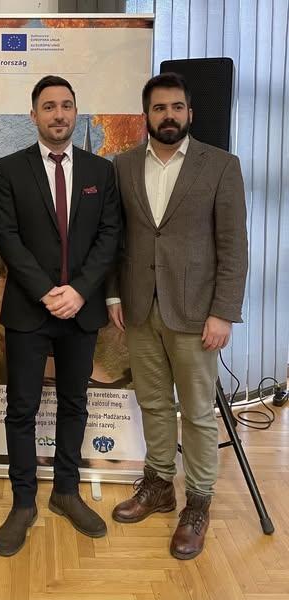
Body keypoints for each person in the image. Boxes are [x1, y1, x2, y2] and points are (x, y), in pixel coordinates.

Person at [108, 72, 248, 560]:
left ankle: (199, 502)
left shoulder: (221, 165)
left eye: (177, 107)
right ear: (146, 115)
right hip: (139, 308)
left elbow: (233, 245)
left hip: (196, 313)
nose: (168, 115)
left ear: (190, 112)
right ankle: (159, 485)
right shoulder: (123, 165)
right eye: (159, 108)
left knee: (198, 413)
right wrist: (113, 296)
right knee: (153, 404)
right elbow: (115, 238)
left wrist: (223, 312)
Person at [0, 75, 120, 556]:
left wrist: (79, 291)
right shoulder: (10, 168)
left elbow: (109, 235)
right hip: (29, 310)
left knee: (74, 404)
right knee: (21, 409)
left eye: (66, 105)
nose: (59, 114)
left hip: (80, 311)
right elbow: (7, 237)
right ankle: (23, 502)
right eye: (49, 106)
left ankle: (66, 491)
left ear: (75, 111)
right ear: (34, 115)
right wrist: (48, 292)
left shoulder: (100, 171)